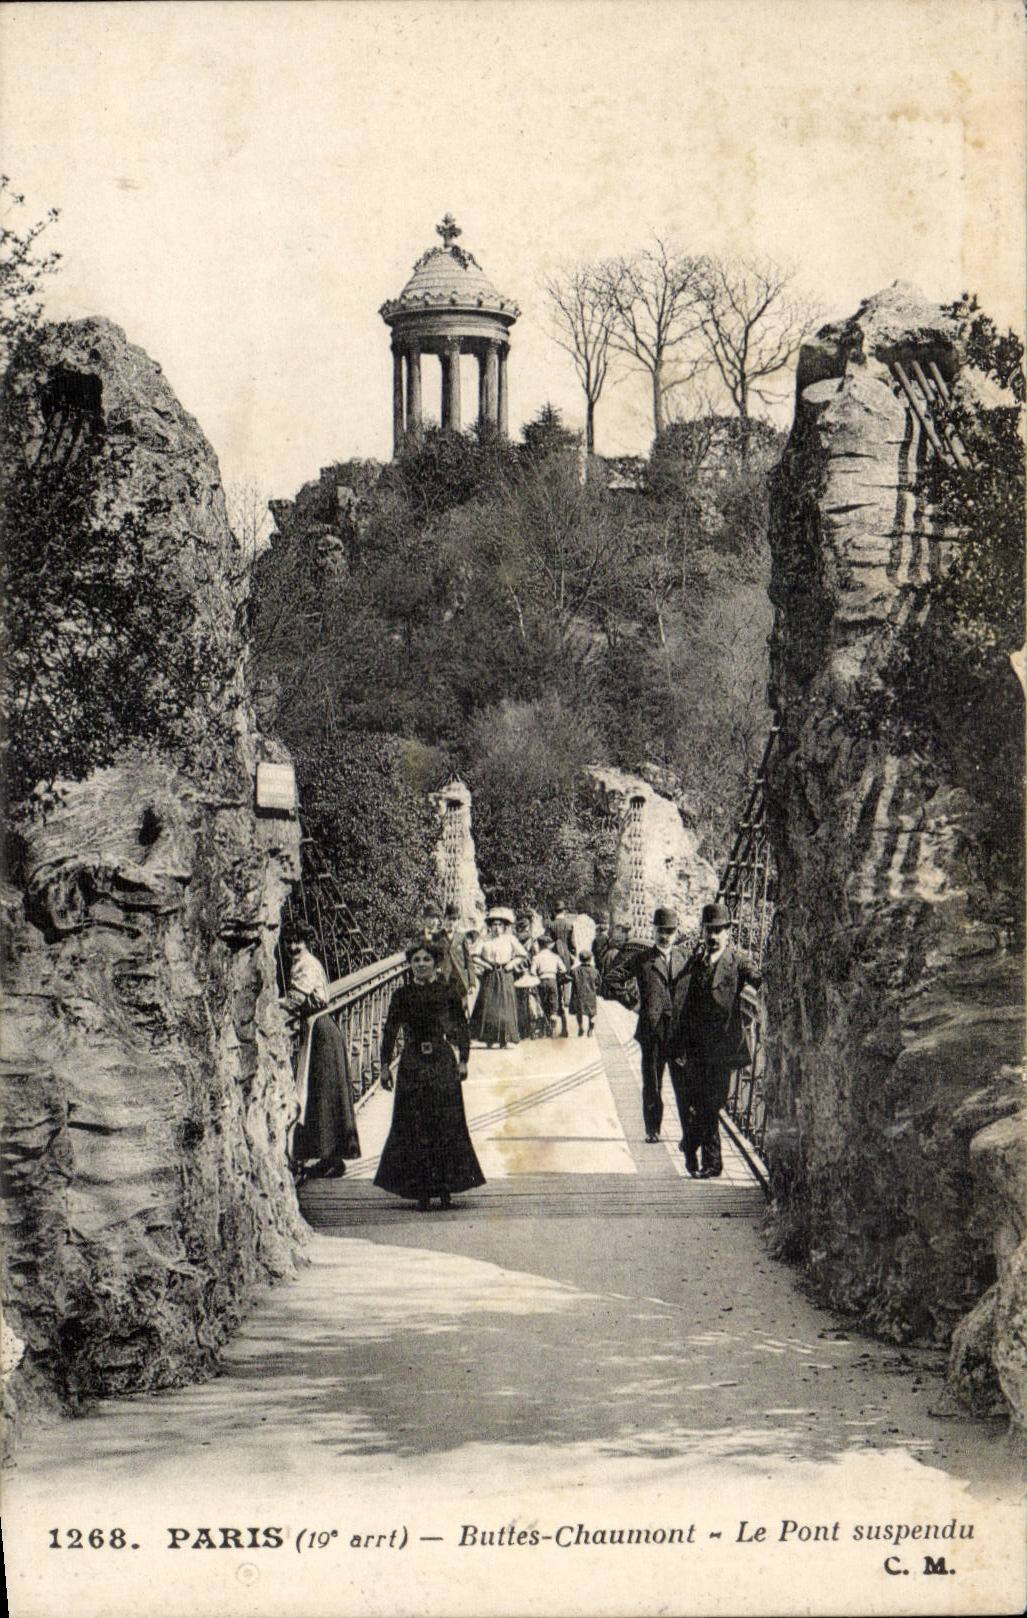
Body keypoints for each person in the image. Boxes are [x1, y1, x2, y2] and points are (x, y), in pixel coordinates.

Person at [374, 941, 485, 1211]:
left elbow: (460, 1026)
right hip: (412, 1062)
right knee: (414, 1123)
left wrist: (463, 1060)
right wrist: (385, 1065)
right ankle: (421, 1189)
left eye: (426, 959)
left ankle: (445, 1187)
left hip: (441, 1061)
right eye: (416, 960)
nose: (421, 964)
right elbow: (390, 1029)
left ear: (435, 963)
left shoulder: (447, 991)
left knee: (445, 1121)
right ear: (410, 965)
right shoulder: (402, 995)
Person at [671, 900, 762, 1178]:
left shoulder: (738, 961)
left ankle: (690, 1143)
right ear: (703, 931)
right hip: (697, 1046)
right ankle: (713, 1163)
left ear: (728, 932)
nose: (712, 936)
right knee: (700, 1102)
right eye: (709, 930)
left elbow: (758, 979)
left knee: (715, 1101)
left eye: (718, 931)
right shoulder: (696, 961)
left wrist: (755, 990)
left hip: (723, 1046)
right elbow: (685, 1002)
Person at [605, 907, 690, 1144]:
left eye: (670, 932)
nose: (665, 936)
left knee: (683, 1085)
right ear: (654, 931)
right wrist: (633, 1004)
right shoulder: (642, 958)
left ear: (676, 932)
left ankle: (688, 1133)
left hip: (678, 1033)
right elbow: (612, 979)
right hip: (651, 1031)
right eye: (661, 931)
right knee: (652, 1083)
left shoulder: (686, 958)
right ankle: (653, 1129)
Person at [284, 925, 361, 1182]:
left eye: (299, 942)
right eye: (290, 943)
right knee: (323, 1093)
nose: (294, 948)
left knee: (322, 1093)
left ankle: (328, 1156)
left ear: (307, 943)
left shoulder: (305, 964)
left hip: (320, 1030)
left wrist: (272, 1007)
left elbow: (296, 999)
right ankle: (329, 1156)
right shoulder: (308, 961)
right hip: (321, 1028)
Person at [469, 908, 527, 1048]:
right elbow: (473, 955)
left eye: (500, 925)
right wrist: (486, 965)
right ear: (490, 926)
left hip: (505, 974)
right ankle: (489, 1038)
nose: (497, 928)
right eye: (494, 924)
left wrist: (511, 965)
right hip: (490, 975)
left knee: (506, 1004)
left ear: (504, 926)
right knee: (489, 1004)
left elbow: (522, 954)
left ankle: (505, 1038)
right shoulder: (484, 940)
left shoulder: (510, 939)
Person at [437, 902, 477, 1011]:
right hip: (444, 980)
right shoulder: (438, 937)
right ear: (444, 919)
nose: (451, 922)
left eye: (454, 920)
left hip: (460, 981)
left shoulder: (461, 937)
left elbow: (469, 961)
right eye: (449, 919)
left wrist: (472, 982)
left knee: (461, 1012)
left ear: (458, 921)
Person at [532, 933, 570, 1038]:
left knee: (543, 1004)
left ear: (539, 945)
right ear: (549, 945)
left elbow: (532, 971)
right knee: (553, 1003)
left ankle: (543, 1030)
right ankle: (553, 1028)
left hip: (541, 981)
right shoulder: (555, 957)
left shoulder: (536, 957)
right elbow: (564, 969)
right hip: (553, 980)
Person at [569, 949, 599, 1037]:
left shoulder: (574, 970)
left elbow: (570, 978)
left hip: (578, 995)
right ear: (590, 959)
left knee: (579, 1012)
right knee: (592, 1013)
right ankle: (590, 1029)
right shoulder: (594, 971)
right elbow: (598, 982)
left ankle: (581, 1027)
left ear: (580, 959)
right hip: (590, 995)